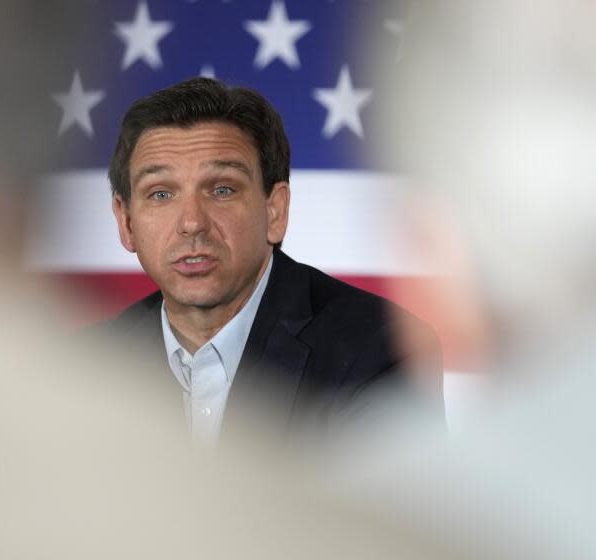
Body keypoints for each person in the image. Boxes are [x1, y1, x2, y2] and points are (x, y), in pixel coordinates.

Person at [99, 77, 444, 448]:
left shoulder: (380, 350)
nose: (192, 223)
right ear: (126, 221)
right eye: (161, 193)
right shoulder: (90, 363)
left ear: (275, 210)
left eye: (222, 190)